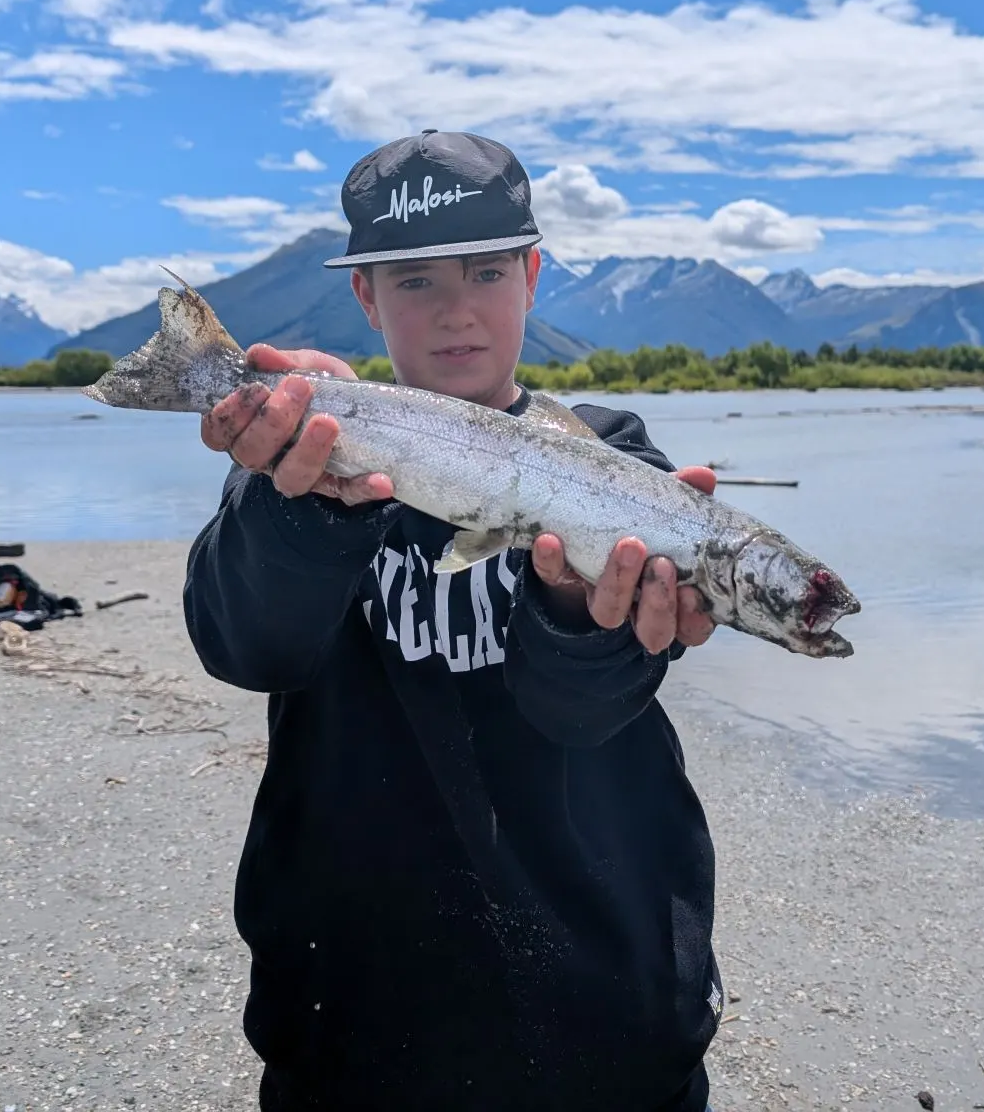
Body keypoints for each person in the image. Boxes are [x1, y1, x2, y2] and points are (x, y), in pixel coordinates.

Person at [184, 130, 723, 1112]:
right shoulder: (309, 451)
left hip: (608, 1009)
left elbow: (585, 714)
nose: (457, 310)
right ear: (365, 298)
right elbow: (246, 646)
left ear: (532, 274)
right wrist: (302, 514)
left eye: (485, 271)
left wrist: (575, 606)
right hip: (350, 1012)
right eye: (416, 280)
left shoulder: (610, 459)